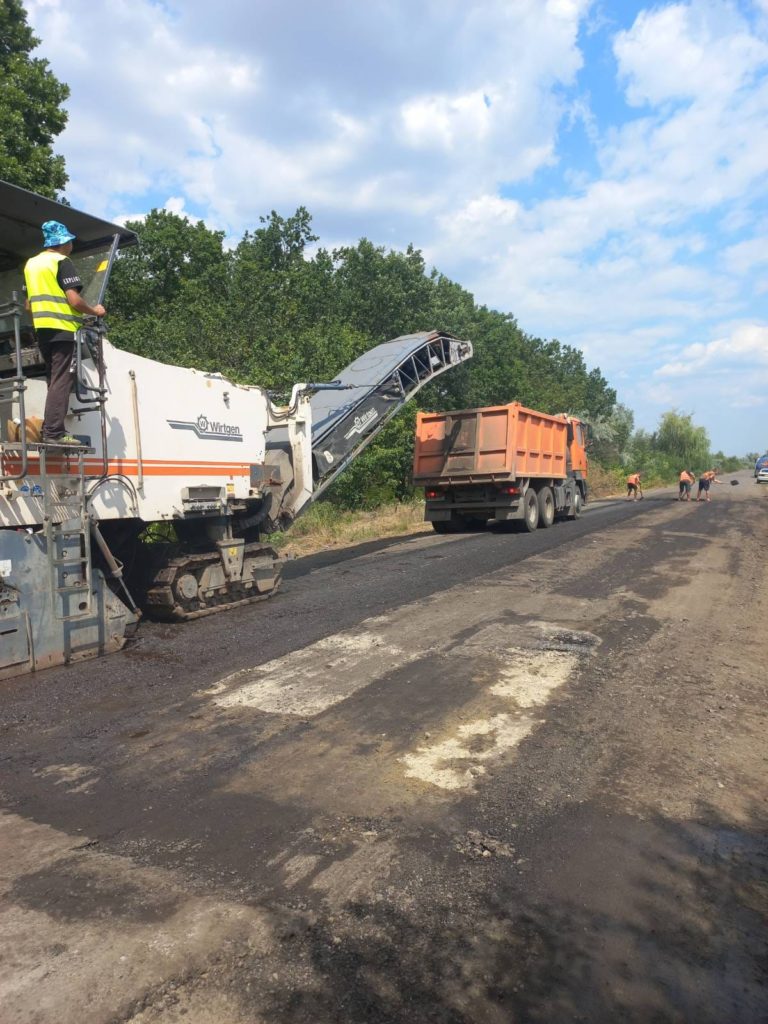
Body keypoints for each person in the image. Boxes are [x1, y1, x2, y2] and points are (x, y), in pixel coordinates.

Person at [23, 220, 106, 446]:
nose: (71, 245)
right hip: (62, 328)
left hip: (43, 330)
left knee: (53, 379)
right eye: (69, 241)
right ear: (63, 242)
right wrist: (94, 311)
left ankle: (49, 429)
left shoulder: (31, 264)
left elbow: (28, 305)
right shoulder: (62, 261)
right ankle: (54, 433)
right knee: (62, 380)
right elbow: (74, 300)